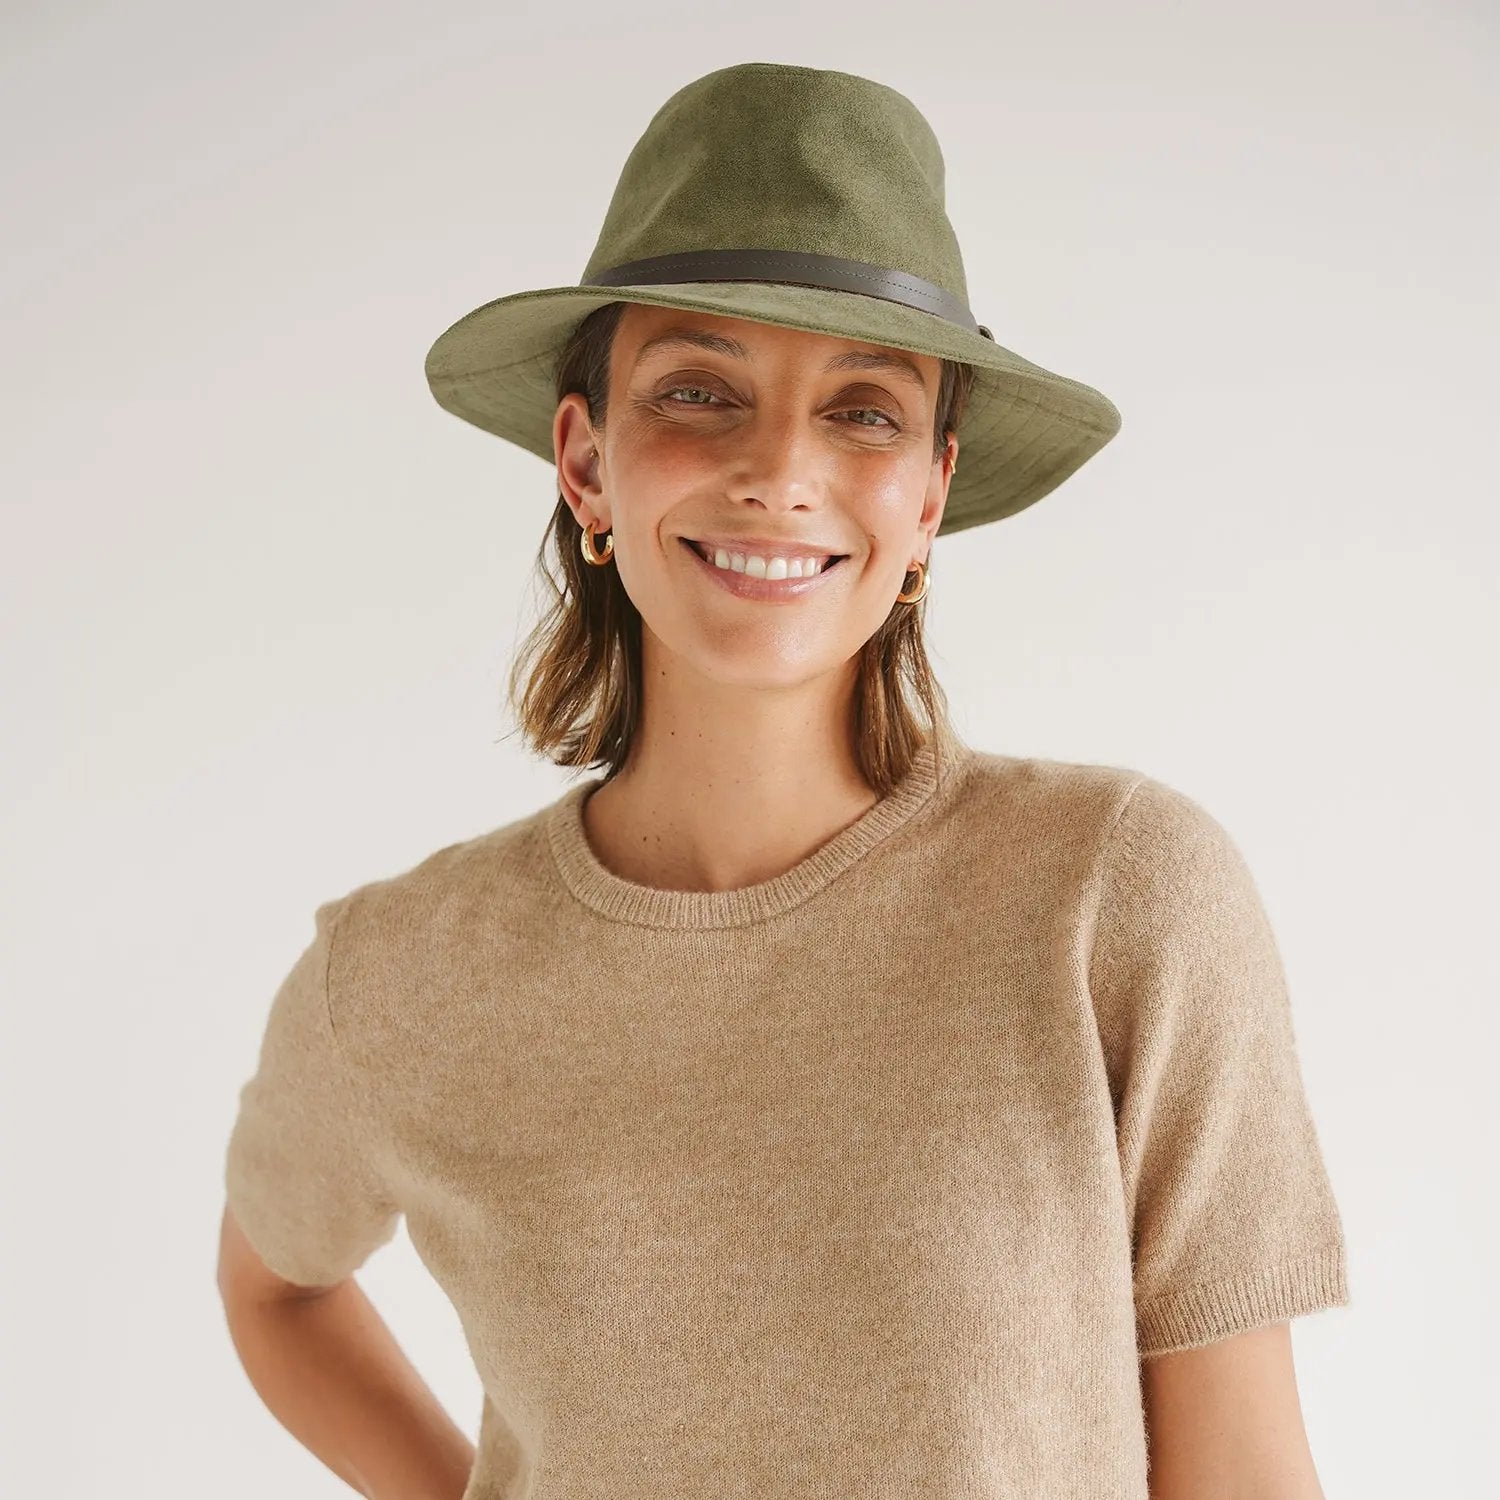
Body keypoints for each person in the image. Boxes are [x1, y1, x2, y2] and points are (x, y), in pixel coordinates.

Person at [217, 61, 1351, 1500]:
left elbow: (1246, 1472)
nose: (780, 469)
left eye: (865, 410)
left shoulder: (1119, 898)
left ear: (929, 494)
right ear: (585, 462)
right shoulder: (399, 973)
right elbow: (276, 1291)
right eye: (700, 391)